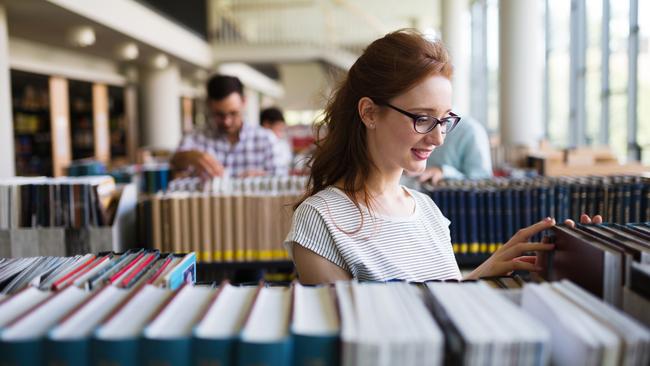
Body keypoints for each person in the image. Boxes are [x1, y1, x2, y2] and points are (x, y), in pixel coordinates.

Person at [284, 29, 601, 284]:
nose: (437, 138)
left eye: (445, 120)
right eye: (422, 118)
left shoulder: (426, 210)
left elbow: (439, 308)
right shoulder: (319, 219)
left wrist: (488, 273)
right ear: (369, 112)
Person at [170, 75, 281, 178]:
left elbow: (281, 180)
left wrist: (263, 180)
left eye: (233, 113)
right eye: (219, 114)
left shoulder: (267, 139)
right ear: (209, 104)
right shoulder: (194, 137)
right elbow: (174, 163)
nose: (227, 122)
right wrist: (190, 156)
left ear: (244, 102)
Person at [415, 115, 493, 184]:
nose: (439, 141)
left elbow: (482, 182)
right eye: (422, 120)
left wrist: (444, 172)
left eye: (444, 122)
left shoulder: (471, 130)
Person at [260, 107, 293, 175]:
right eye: (279, 129)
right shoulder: (266, 139)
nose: (280, 134)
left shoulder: (282, 143)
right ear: (266, 124)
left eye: (282, 129)